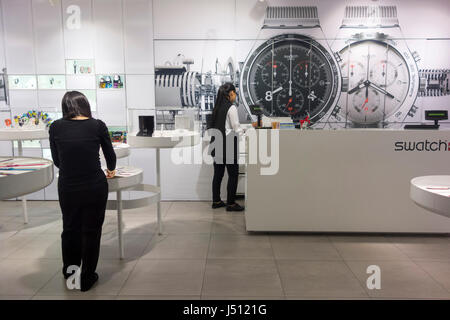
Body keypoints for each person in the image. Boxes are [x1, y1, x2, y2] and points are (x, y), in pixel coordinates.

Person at [49, 91, 116, 291]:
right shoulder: (97, 125)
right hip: (95, 185)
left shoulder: (56, 127)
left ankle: (71, 274)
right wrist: (111, 171)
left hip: (68, 185)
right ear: (85, 105)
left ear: (65, 107)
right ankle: (87, 278)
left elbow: (57, 160)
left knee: (70, 230)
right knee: (91, 231)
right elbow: (110, 156)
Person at [209, 83, 245, 212]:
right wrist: (244, 133)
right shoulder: (232, 108)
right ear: (231, 93)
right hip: (228, 144)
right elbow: (236, 126)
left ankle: (216, 201)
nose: (235, 96)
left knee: (218, 174)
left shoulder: (217, 107)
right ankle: (231, 204)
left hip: (216, 143)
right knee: (233, 174)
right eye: (235, 93)